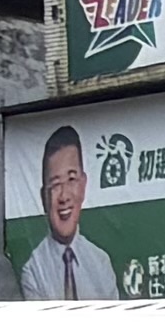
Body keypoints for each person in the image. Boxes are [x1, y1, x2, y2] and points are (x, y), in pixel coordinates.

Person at [16, 129, 120, 301]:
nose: (64, 197)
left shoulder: (101, 263)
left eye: (72, 180)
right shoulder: (34, 270)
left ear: (83, 185)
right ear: (43, 197)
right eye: (55, 185)